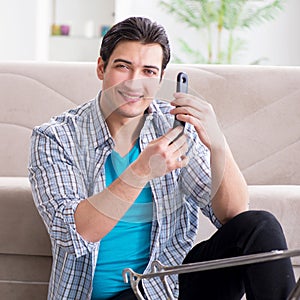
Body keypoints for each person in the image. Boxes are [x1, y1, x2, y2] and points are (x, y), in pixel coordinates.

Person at [29, 17, 295, 300]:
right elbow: (74, 233)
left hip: (168, 289)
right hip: (111, 296)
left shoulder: (174, 127)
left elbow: (232, 215)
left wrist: (218, 143)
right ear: (100, 67)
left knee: (259, 227)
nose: (134, 83)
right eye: (123, 67)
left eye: (148, 71)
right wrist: (141, 170)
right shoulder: (56, 138)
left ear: (159, 79)